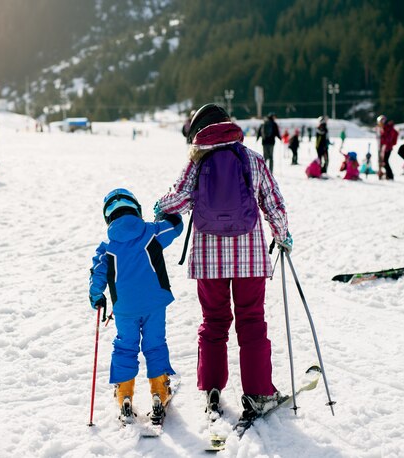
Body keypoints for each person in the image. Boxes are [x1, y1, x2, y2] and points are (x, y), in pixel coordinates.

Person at [155, 104, 291, 425]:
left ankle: (212, 388)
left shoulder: (197, 162)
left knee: (214, 321)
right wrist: (283, 236)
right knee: (252, 321)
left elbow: (179, 199)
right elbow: (273, 202)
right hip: (250, 257)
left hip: (208, 259)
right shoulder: (252, 158)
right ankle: (259, 393)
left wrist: (160, 206)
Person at [88, 188, 183, 423]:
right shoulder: (152, 231)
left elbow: (97, 277)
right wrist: (169, 214)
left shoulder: (107, 248)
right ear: (136, 210)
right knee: (155, 344)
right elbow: (176, 227)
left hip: (125, 309)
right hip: (154, 303)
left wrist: (97, 297)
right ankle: (160, 393)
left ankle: (125, 396)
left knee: (125, 347)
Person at [377, 115, 399, 180]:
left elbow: (387, 139)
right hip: (385, 147)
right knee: (384, 161)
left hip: (387, 148)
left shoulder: (388, 128)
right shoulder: (385, 128)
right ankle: (388, 175)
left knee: (385, 161)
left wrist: (384, 145)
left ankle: (390, 175)